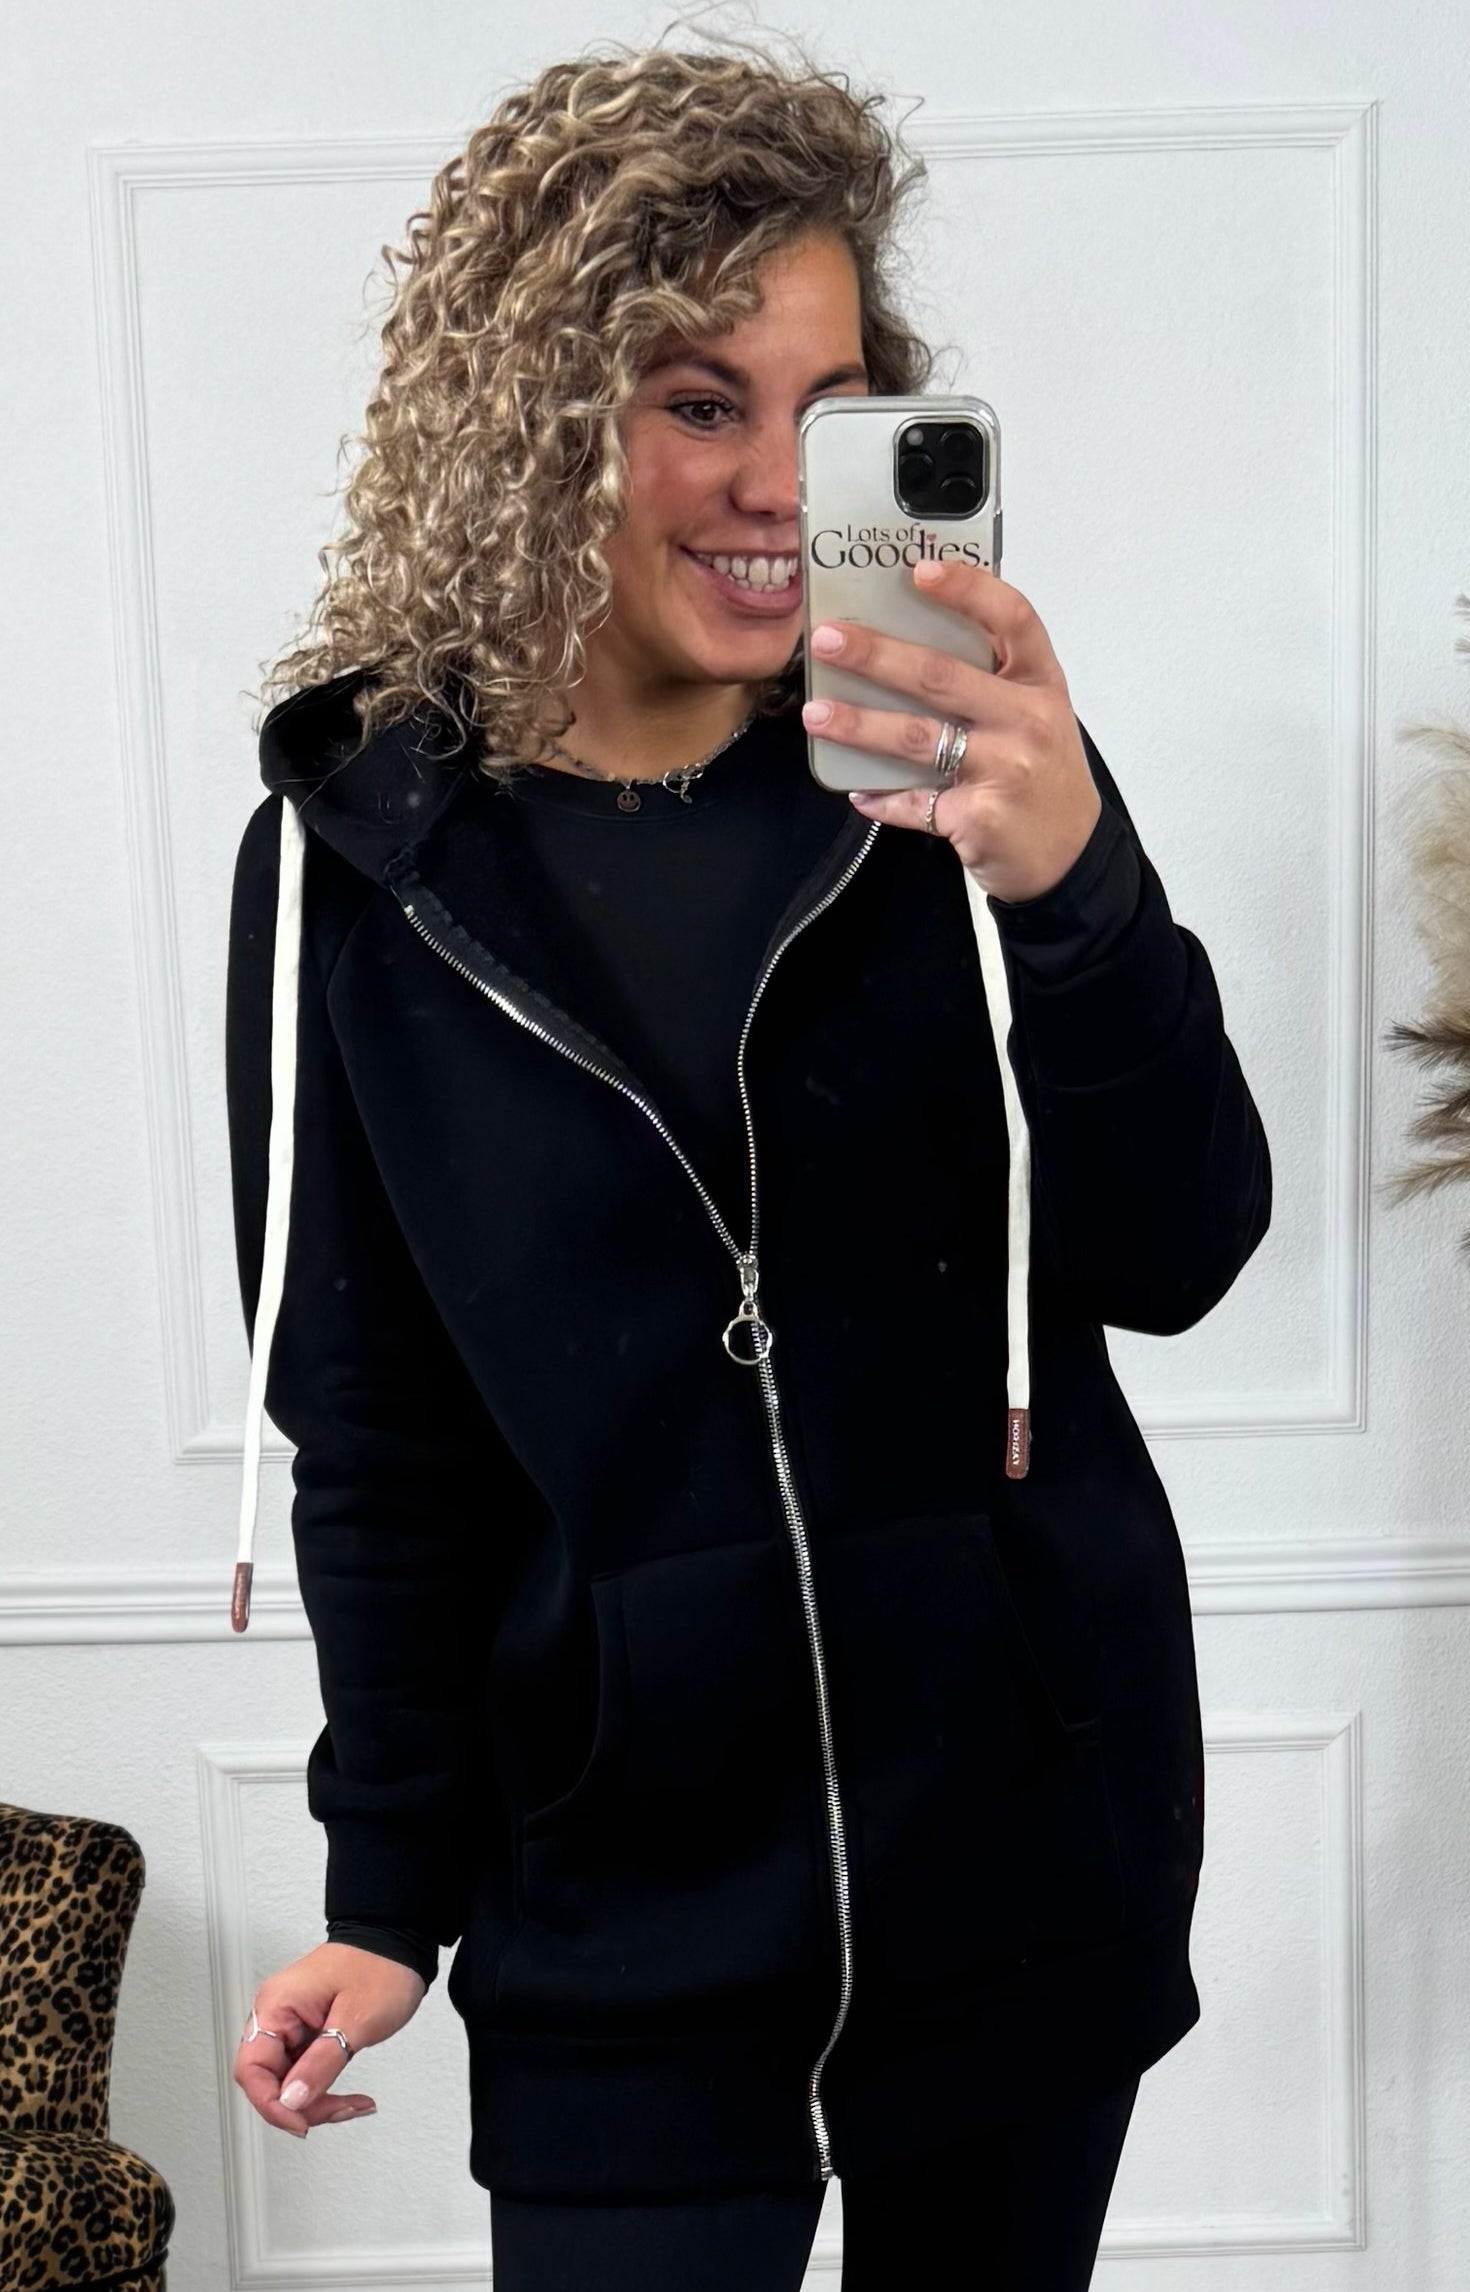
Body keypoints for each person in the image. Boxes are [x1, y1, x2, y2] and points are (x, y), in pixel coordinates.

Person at [224, 28, 1272, 2291]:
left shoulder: (965, 777)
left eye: (837, 408)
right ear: (536, 413)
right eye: (701, 403)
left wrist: (1077, 893)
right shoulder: (362, 868)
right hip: (622, 1911)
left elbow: (1182, 1248)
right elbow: (375, 1431)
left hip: (1020, 1856)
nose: (781, 486)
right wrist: (384, 1896)